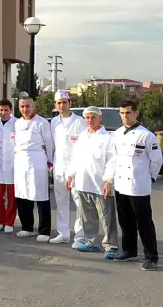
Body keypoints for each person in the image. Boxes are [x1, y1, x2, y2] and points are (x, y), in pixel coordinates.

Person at [112, 100, 162, 271]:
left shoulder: (146, 135)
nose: (125, 116)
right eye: (122, 113)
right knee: (125, 221)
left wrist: (149, 178)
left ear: (136, 113)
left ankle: (151, 257)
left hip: (138, 186)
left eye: (128, 113)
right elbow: (115, 159)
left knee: (144, 223)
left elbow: (156, 160)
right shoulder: (117, 134)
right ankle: (129, 250)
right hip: (121, 184)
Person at [65, 106, 119, 259]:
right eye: (87, 118)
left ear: (100, 118)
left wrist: (108, 180)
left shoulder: (108, 138)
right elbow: (76, 157)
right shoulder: (83, 136)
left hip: (100, 184)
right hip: (83, 182)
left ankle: (111, 246)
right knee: (86, 216)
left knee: (107, 217)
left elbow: (112, 161)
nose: (89, 120)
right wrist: (70, 174)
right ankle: (91, 242)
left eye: (93, 117)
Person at [14, 97, 54, 242]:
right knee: (22, 194)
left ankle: (44, 230)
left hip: (37, 161)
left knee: (41, 195)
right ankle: (27, 227)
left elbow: (48, 143)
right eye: (22, 106)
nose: (25, 109)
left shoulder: (41, 122)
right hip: (20, 161)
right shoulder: (17, 123)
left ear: (34, 107)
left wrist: (50, 161)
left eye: (28, 106)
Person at [50, 90, 87, 247]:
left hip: (76, 168)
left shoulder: (80, 122)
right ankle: (63, 233)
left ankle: (80, 234)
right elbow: (52, 145)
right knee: (61, 201)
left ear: (70, 103)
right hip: (59, 167)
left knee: (79, 202)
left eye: (64, 102)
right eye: (59, 103)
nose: (62, 105)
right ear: (55, 105)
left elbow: (85, 146)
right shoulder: (53, 123)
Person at [0, 99, 17, 233]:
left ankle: (9, 222)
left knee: (12, 197)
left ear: (11, 110)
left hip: (13, 165)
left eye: (6, 110)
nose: (3, 112)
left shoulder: (17, 123)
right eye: (1, 110)